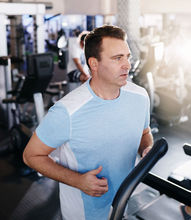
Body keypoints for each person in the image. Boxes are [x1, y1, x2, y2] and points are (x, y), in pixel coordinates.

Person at [23, 25, 153, 220]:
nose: (127, 65)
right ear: (94, 64)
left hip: (124, 198)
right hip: (83, 212)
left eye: (127, 57)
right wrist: (77, 181)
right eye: (118, 58)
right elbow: (31, 155)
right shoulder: (66, 111)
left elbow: (144, 132)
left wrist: (147, 148)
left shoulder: (140, 96)